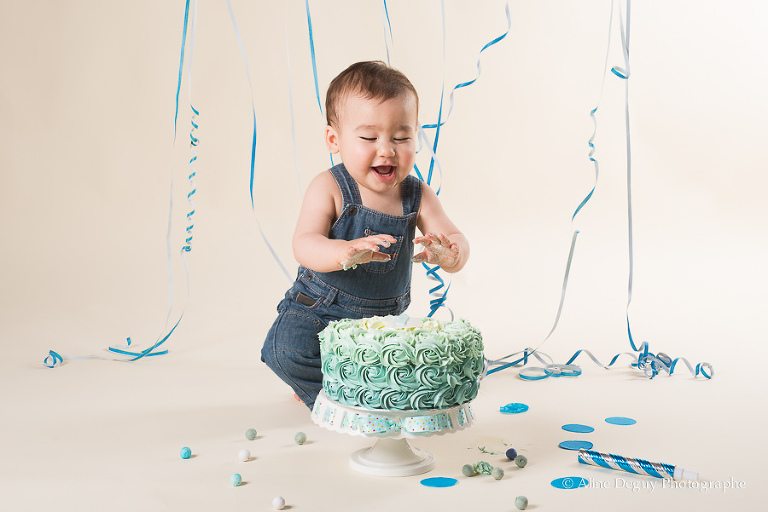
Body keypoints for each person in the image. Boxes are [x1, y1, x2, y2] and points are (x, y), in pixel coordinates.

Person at [261, 61, 469, 409]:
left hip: (384, 323)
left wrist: (452, 253)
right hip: (319, 310)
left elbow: (453, 236)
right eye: (369, 137)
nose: (386, 149)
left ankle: (369, 387)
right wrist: (342, 251)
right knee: (284, 352)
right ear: (334, 140)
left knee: (419, 367)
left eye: (401, 137)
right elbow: (304, 243)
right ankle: (338, 397)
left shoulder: (417, 195)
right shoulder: (329, 187)